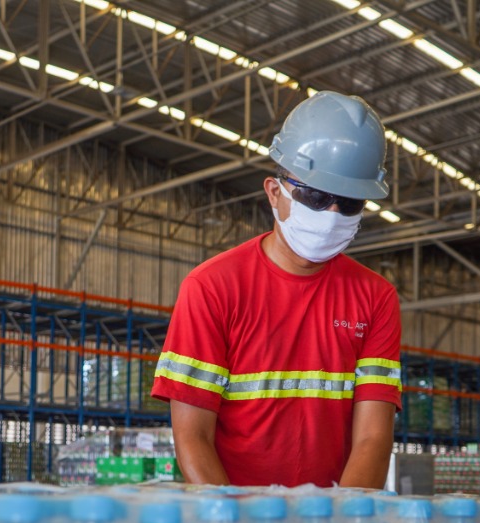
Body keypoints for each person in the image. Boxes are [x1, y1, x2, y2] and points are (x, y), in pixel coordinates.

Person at [151, 91, 402, 488]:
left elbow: (373, 437)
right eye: (316, 197)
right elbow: (192, 436)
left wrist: (342, 522)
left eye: (350, 204)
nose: (332, 215)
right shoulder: (212, 288)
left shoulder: (376, 299)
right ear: (274, 192)